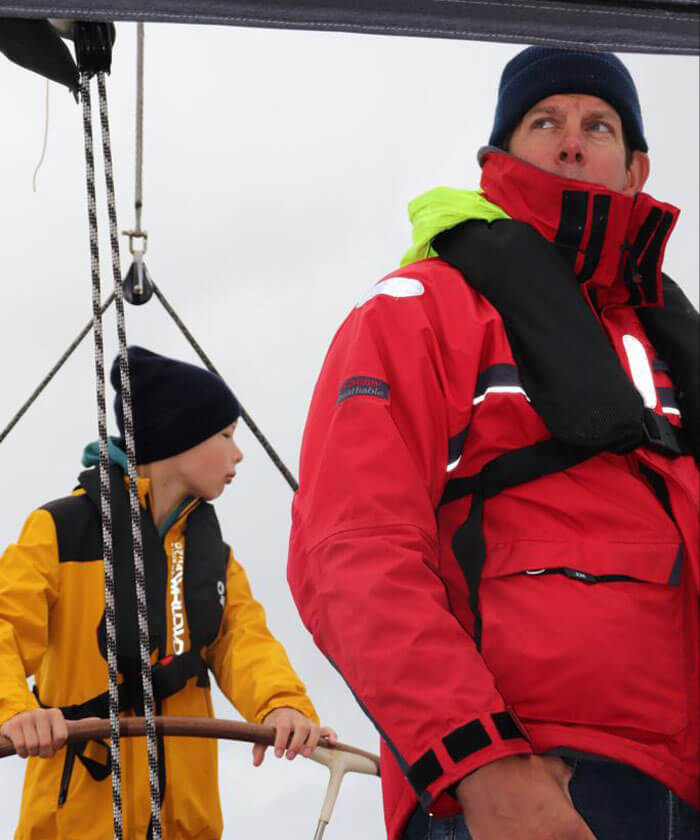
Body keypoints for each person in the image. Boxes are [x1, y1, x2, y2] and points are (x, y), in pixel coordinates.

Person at [287, 47, 699, 840]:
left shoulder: (666, 338)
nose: (572, 142)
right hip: (534, 785)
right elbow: (351, 545)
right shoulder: (419, 309)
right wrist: (479, 762)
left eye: (598, 125)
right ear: (497, 157)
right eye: (544, 122)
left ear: (636, 166)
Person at [0, 346, 336, 839]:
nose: (238, 453)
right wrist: (13, 712)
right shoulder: (59, 530)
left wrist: (283, 706)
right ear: (179, 440)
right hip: (75, 824)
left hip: (184, 826)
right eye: (225, 435)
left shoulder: (214, 559)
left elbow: (246, 643)